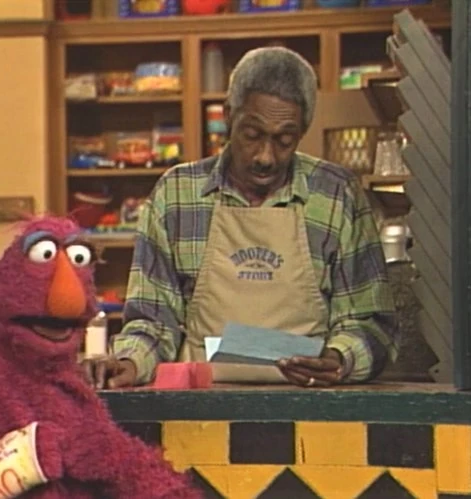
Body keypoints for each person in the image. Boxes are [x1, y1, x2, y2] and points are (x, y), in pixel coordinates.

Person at [82, 46, 398, 389]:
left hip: (312, 406)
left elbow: (370, 323)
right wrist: (129, 362)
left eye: (284, 140)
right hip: (199, 407)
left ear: (303, 130)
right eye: (252, 135)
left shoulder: (336, 195)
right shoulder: (177, 195)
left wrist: (339, 359)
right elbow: (153, 322)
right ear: (228, 115)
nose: (265, 157)